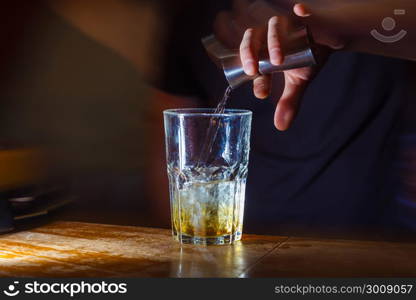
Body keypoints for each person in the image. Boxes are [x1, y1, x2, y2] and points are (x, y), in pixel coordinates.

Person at [152, 0, 416, 236]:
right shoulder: (195, 14)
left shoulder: (380, 11)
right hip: (244, 242)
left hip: (366, 242)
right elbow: (169, 144)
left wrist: (337, 28)